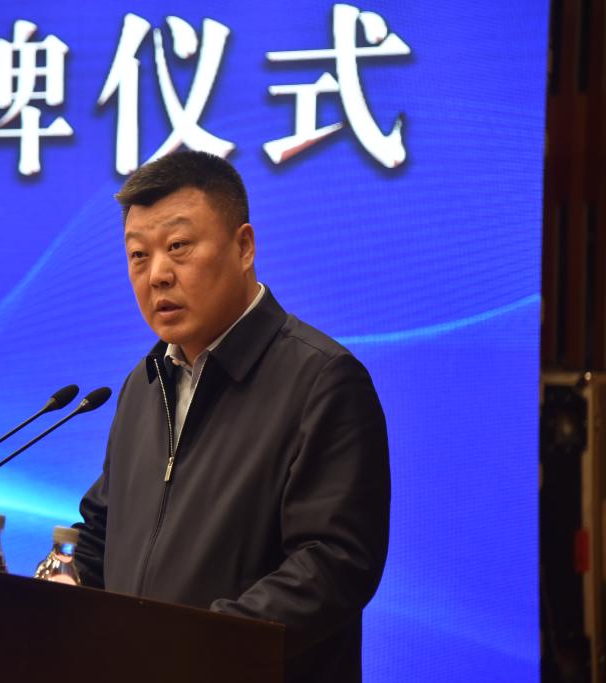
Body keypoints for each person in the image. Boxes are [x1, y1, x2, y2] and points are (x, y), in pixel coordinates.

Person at [73, 151, 390, 682]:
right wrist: (64, 586)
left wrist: (193, 650)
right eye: (138, 255)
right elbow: (102, 530)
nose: (157, 275)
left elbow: (334, 564)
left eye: (178, 247)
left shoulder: (322, 380)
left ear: (244, 247)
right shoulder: (143, 384)